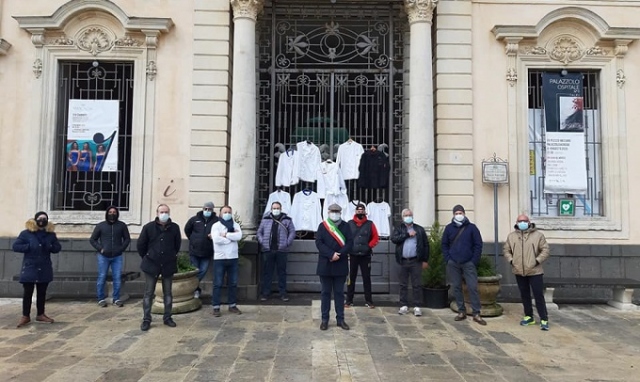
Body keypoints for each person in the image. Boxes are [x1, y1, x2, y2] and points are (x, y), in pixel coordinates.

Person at [12, 211, 62, 328]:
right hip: (30, 266)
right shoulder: (26, 234)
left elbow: (57, 247)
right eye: (39, 218)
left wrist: (50, 246)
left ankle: (40, 314)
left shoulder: (50, 234)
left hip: (44, 266)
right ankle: (25, 316)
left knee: (42, 292)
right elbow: (15, 246)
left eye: (44, 218)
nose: (42, 220)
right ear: (35, 220)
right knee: (28, 292)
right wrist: (29, 247)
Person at [137, 204, 182, 331]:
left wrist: (171, 255)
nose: (164, 214)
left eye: (166, 211)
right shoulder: (148, 227)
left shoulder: (174, 227)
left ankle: (167, 317)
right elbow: (141, 244)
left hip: (168, 264)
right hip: (152, 263)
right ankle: (146, 318)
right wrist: (148, 256)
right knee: (149, 293)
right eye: (162, 211)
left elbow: (177, 244)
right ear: (157, 213)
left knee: (168, 293)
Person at [503, 214, 550, 331]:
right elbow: (506, 250)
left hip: (535, 271)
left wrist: (537, 260)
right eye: (520, 221)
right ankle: (529, 316)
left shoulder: (538, 236)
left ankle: (544, 319)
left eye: (524, 221)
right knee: (525, 295)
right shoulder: (512, 236)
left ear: (529, 222)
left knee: (538, 295)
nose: (522, 223)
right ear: (517, 222)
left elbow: (545, 250)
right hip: (519, 271)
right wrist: (511, 260)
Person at [442, 204, 486, 325]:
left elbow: (478, 244)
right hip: (453, 263)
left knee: (472, 287)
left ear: (464, 214)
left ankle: (476, 313)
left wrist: (474, 260)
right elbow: (444, 244)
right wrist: (448, 259)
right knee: (456, 287)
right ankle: (461, 311)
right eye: (456, 213)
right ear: (453, 214)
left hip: (468, 263)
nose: (459, 215)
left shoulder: (472, 228)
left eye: (460, 213)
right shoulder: (449, 228)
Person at [315, 203, 354, 331]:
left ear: (340, 213)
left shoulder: (346, 226)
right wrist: (331, 254)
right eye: (333, 211)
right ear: (328, 212)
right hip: (325, 264)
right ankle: (324, 320)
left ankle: (340, 320)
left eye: (337, 211)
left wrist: (340, 254)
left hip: (340, 264)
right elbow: (319, 243)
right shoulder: (323, 226)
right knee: (325, 293)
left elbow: (349, 243)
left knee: (339, 293)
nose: (335, 213)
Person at [89, 206, 131, 307]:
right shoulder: (101, 226)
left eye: (114, 212)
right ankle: (100, 298)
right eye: (110, 212)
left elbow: (127, 239)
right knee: (102, 277)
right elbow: (92, 239)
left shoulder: (122, 225)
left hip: (117, 256)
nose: (112, 214)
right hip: (103, 256)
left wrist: (121, 249)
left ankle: (116, 298)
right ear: (107, 213)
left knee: (117, 277)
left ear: (117, 214)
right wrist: (100, 249)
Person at [390, 208, 429, 316]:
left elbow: (426, 245)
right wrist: (407, 235)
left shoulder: (419, 229)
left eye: (410, 215)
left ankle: (417, 306)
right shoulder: (399, 228)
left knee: (416, 284)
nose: (408, 217)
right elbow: (394, 239)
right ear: (403, 218)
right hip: (403, 261)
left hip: (416, 260)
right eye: (406, 215)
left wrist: (425, 259)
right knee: (403, 284)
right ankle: (403, 305)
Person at [257, 201, 296, 302]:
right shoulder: (266, 219)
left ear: (281, 208)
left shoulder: (287, 220)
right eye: (274, 208)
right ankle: (266, 293)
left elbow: (292, 232)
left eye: (277, 208)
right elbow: (259, 232)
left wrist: (287, 243)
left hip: (281, 250)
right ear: (271, 209)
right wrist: (263, 242)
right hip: (268, 250)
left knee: (281, 272)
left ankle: (283, 293)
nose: (276, 210)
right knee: (267, 272)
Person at [345, 203, 380, 308]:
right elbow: (345, 237)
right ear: (355, 211)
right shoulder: (349, 223)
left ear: (365, 211)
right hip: (353, 255)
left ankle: (369, 301)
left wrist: (368, 246)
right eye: (358, 210)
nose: (360, 211)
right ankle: (349, 301)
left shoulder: (370, 224)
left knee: (366, 278)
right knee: (351, 278)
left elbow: (375, 237)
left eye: (362, 210)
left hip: (365, 255)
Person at [211, 205, 243, 317]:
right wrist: (230, 239)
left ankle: (232, 305)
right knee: (217, 283)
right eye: (225, 212)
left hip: (233, 257)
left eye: (229, 212)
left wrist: (226, 235)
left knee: (233, 283)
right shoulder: (216, 225)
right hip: (220, 258)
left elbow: (239, 236)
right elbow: (216, 239)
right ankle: (216, 307)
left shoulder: (236, 225)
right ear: (220, 213)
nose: (227, 214)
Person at [184, 201, 218, 299]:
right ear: (203, 209)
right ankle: (196, 290)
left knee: (202, 270)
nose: (207, 211)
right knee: (194, 271)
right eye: (205, 209)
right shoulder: (194, 219)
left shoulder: (216, 220)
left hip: (207, 251)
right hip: (194, 250)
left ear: (212, 210)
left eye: (209, 209)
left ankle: (192, 287)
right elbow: (187, 230)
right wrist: (194, 239)